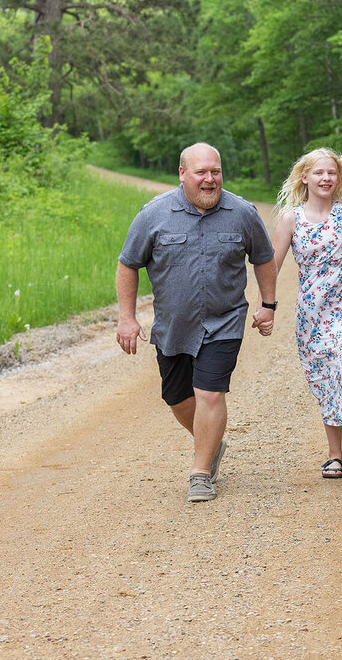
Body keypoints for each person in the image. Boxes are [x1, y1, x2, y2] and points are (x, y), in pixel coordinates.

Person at [115, 142, 277, 503]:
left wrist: (268, 305)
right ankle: (211, 442)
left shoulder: (242, 212)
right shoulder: (154, 214)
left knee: (209, 392)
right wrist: (127, 318)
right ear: (182, 174)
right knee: (177, 397)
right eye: (201, 172)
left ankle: (200, 473)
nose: (210, 179)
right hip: (173, 327)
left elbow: (264, 258)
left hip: (225, 322)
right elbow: (128, 263)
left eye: (215, 171)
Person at [271, 148, 342, 480]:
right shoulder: (291, 219)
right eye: (319, 173)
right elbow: (272, 267)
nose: (326, 178)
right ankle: (333, 455)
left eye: (332, 173)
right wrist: (266, 306)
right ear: (304, 177)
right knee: (325, 377)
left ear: (338, 179)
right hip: (312, 311)